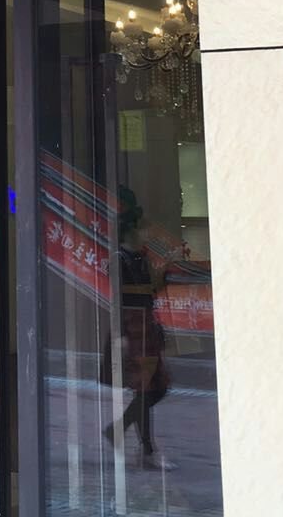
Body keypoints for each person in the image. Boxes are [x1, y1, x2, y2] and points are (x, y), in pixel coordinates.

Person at [104, 186, 172, 468]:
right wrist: (120, 335)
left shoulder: (140, 257)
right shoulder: (119, 259)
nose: (146, 233)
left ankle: (122, 432)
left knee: (154, 388)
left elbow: (150, 291)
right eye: (141, 228)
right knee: (147, 389)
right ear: (130, 229)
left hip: (145, 327)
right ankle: (146, 450)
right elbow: (118, 299)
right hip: (133, 329)